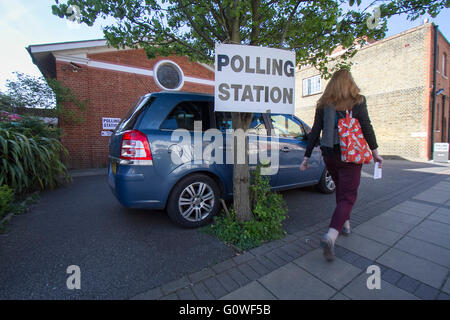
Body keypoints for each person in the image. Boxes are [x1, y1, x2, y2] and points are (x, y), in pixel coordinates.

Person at [300, 69, 383, 261]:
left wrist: (306, 156)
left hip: (329, 155)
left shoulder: (323, 104)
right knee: (348, 197)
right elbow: (367, 127)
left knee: (341, 190)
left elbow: (315, 132)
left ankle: (345, 224)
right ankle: (331, 236)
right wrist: (375, 152)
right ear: (350, 83)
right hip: (350, 156)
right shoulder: (358, 101)